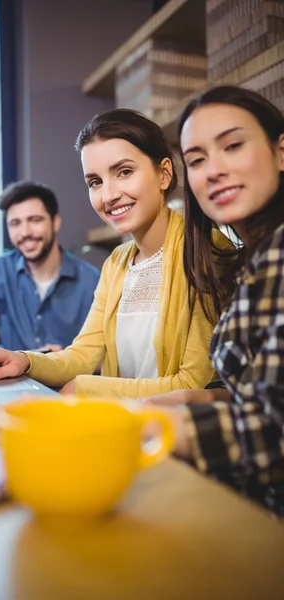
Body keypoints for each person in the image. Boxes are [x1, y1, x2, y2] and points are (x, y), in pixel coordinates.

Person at [0, 109, 220, 397]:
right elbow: (82, 355)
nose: (108, 196)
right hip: (122, 427)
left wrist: (87, 387)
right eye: (95, 182)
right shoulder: (117, 262)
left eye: (125, 172)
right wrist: (24, 359)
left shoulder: (208, 252)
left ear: (164, 174)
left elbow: (194, 385)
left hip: (177, 434)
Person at [143, 85, 284, 513]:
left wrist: (134, 423)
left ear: (281, 152)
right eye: (198, 160)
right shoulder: (251, 259)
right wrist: (202, 398)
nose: (214, 170)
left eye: (233, 146)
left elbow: (271, 432)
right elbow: (261, 392)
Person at [0, 180, 100, 351]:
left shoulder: (90, 279)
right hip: (11, 377)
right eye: (15, 223)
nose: (25, 232)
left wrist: (67, 358)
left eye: (35, 220)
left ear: (55, 222)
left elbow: (103, 351)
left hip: (67, 377)